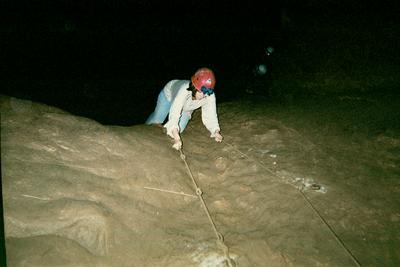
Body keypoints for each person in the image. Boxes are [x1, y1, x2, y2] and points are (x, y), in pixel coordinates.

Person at [145, 67, 223, 150]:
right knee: (156, 120)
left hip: (186, 108)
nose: (204, 95)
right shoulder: (184, 90)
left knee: (178, 130)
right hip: (168, 95)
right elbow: (175, 112)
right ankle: (143, 129)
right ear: (194, 87)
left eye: (208, 91)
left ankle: (165, 131)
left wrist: (215, 131)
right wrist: (177, 139)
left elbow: (211, 114)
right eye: (202, 91)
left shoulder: (209, 95)